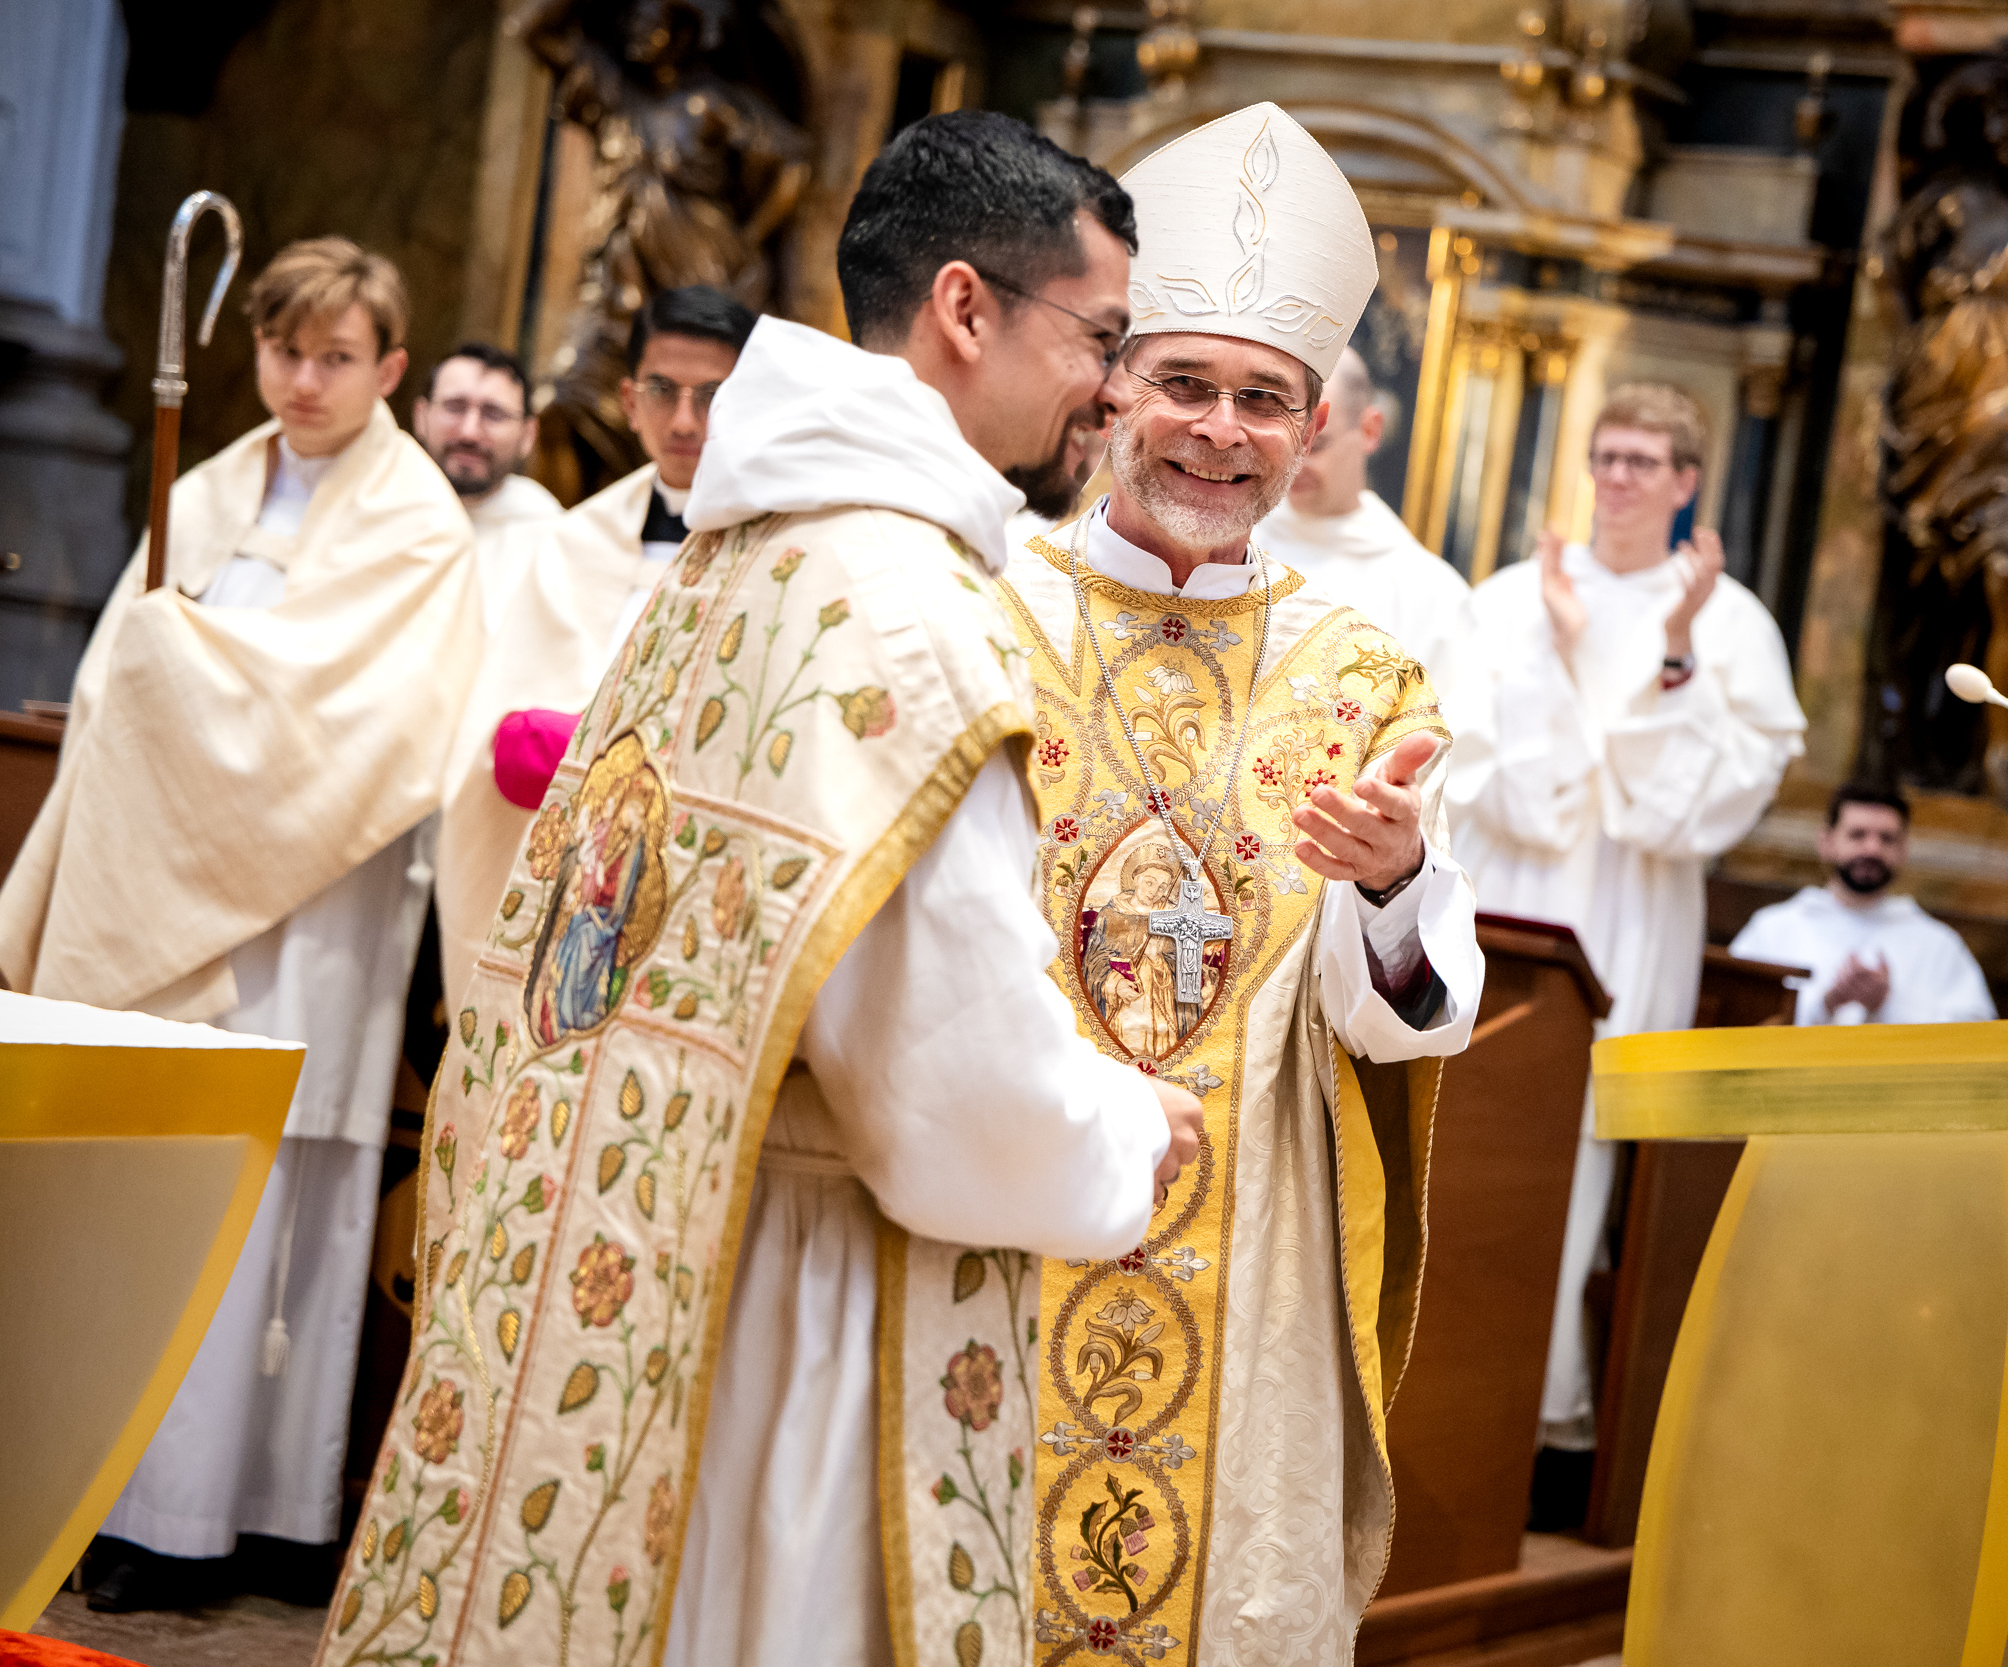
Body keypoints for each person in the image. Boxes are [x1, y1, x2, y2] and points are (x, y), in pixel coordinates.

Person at [316, 113, 1198, 1667]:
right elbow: (955, 1093)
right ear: (966, 307)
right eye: (1102, 338)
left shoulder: (741, 556)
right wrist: (1125, 1128)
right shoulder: (914, 619)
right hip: (806, 1309)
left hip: (650, 1274)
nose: (1116, 390)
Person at [994, 102, 1486, 1662]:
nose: (1221, 430)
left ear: (1314, 424)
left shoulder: (1363, 674)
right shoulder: (987, 610)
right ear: (1114, 389)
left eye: (1264, 399)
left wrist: (1394, 887)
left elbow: (1405, 1014)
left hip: (1244, 1236)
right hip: (996, 1194)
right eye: (1186, 384)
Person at [0, 238, 481, 1609]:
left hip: (311, 911)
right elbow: (119, 679)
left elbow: (376, 722)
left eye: (336, 357)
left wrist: (190, 677)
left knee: (278, 1202)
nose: (305, 380)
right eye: (284, 352)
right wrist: (164, 678)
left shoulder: (417, 523)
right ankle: (122, 1501)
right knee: (161, 1185)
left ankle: (251, 1516)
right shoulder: (207, 485)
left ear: (390, 367)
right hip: (173, 892)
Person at [1445, 382, 1804, 1478]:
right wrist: (1559, 647)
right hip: (1512, 900)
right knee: (1470, 1133)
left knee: (1580, 1156)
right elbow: (1490, 777)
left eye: (1643, 461)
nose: (1617, 478)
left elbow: (1679, 812)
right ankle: (1435, 1398)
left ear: (1686, 481)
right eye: (1605, 455)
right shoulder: (1512, 598)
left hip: (1630, 915)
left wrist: (1676, 649)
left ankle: (1534, 1423)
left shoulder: (1730, 622)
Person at [431, 286, 758, 1004]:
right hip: (560, 870)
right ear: (628, 400)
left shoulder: (780, 548)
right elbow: (498, 721)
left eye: (712, 396)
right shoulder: (576, 540)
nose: (684, 420)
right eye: (662, 391)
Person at [1255, 346, 1474, 685]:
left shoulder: (1431, 594)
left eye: (1317, 445)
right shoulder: (1229, 547)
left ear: (1370, 430)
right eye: (1284, 442)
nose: (1294, 464)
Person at [1728, 780, 1995, 1025]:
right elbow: (1730, 1018)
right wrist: (1826, 1004)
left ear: (1903, 849)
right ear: (1826, 842)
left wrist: (1888, 1004)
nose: (1872, 849)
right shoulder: (1774, 929)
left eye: (1887, 838)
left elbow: (1978, 1035)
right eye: (1857, 835)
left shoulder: (1938, 945)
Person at [409, 340, 560, 622]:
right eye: (455, 407)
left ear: (528, 434)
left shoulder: (552, 540)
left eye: (493, 414)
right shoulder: (377, 508)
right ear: (421, 416)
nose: (469, 432)